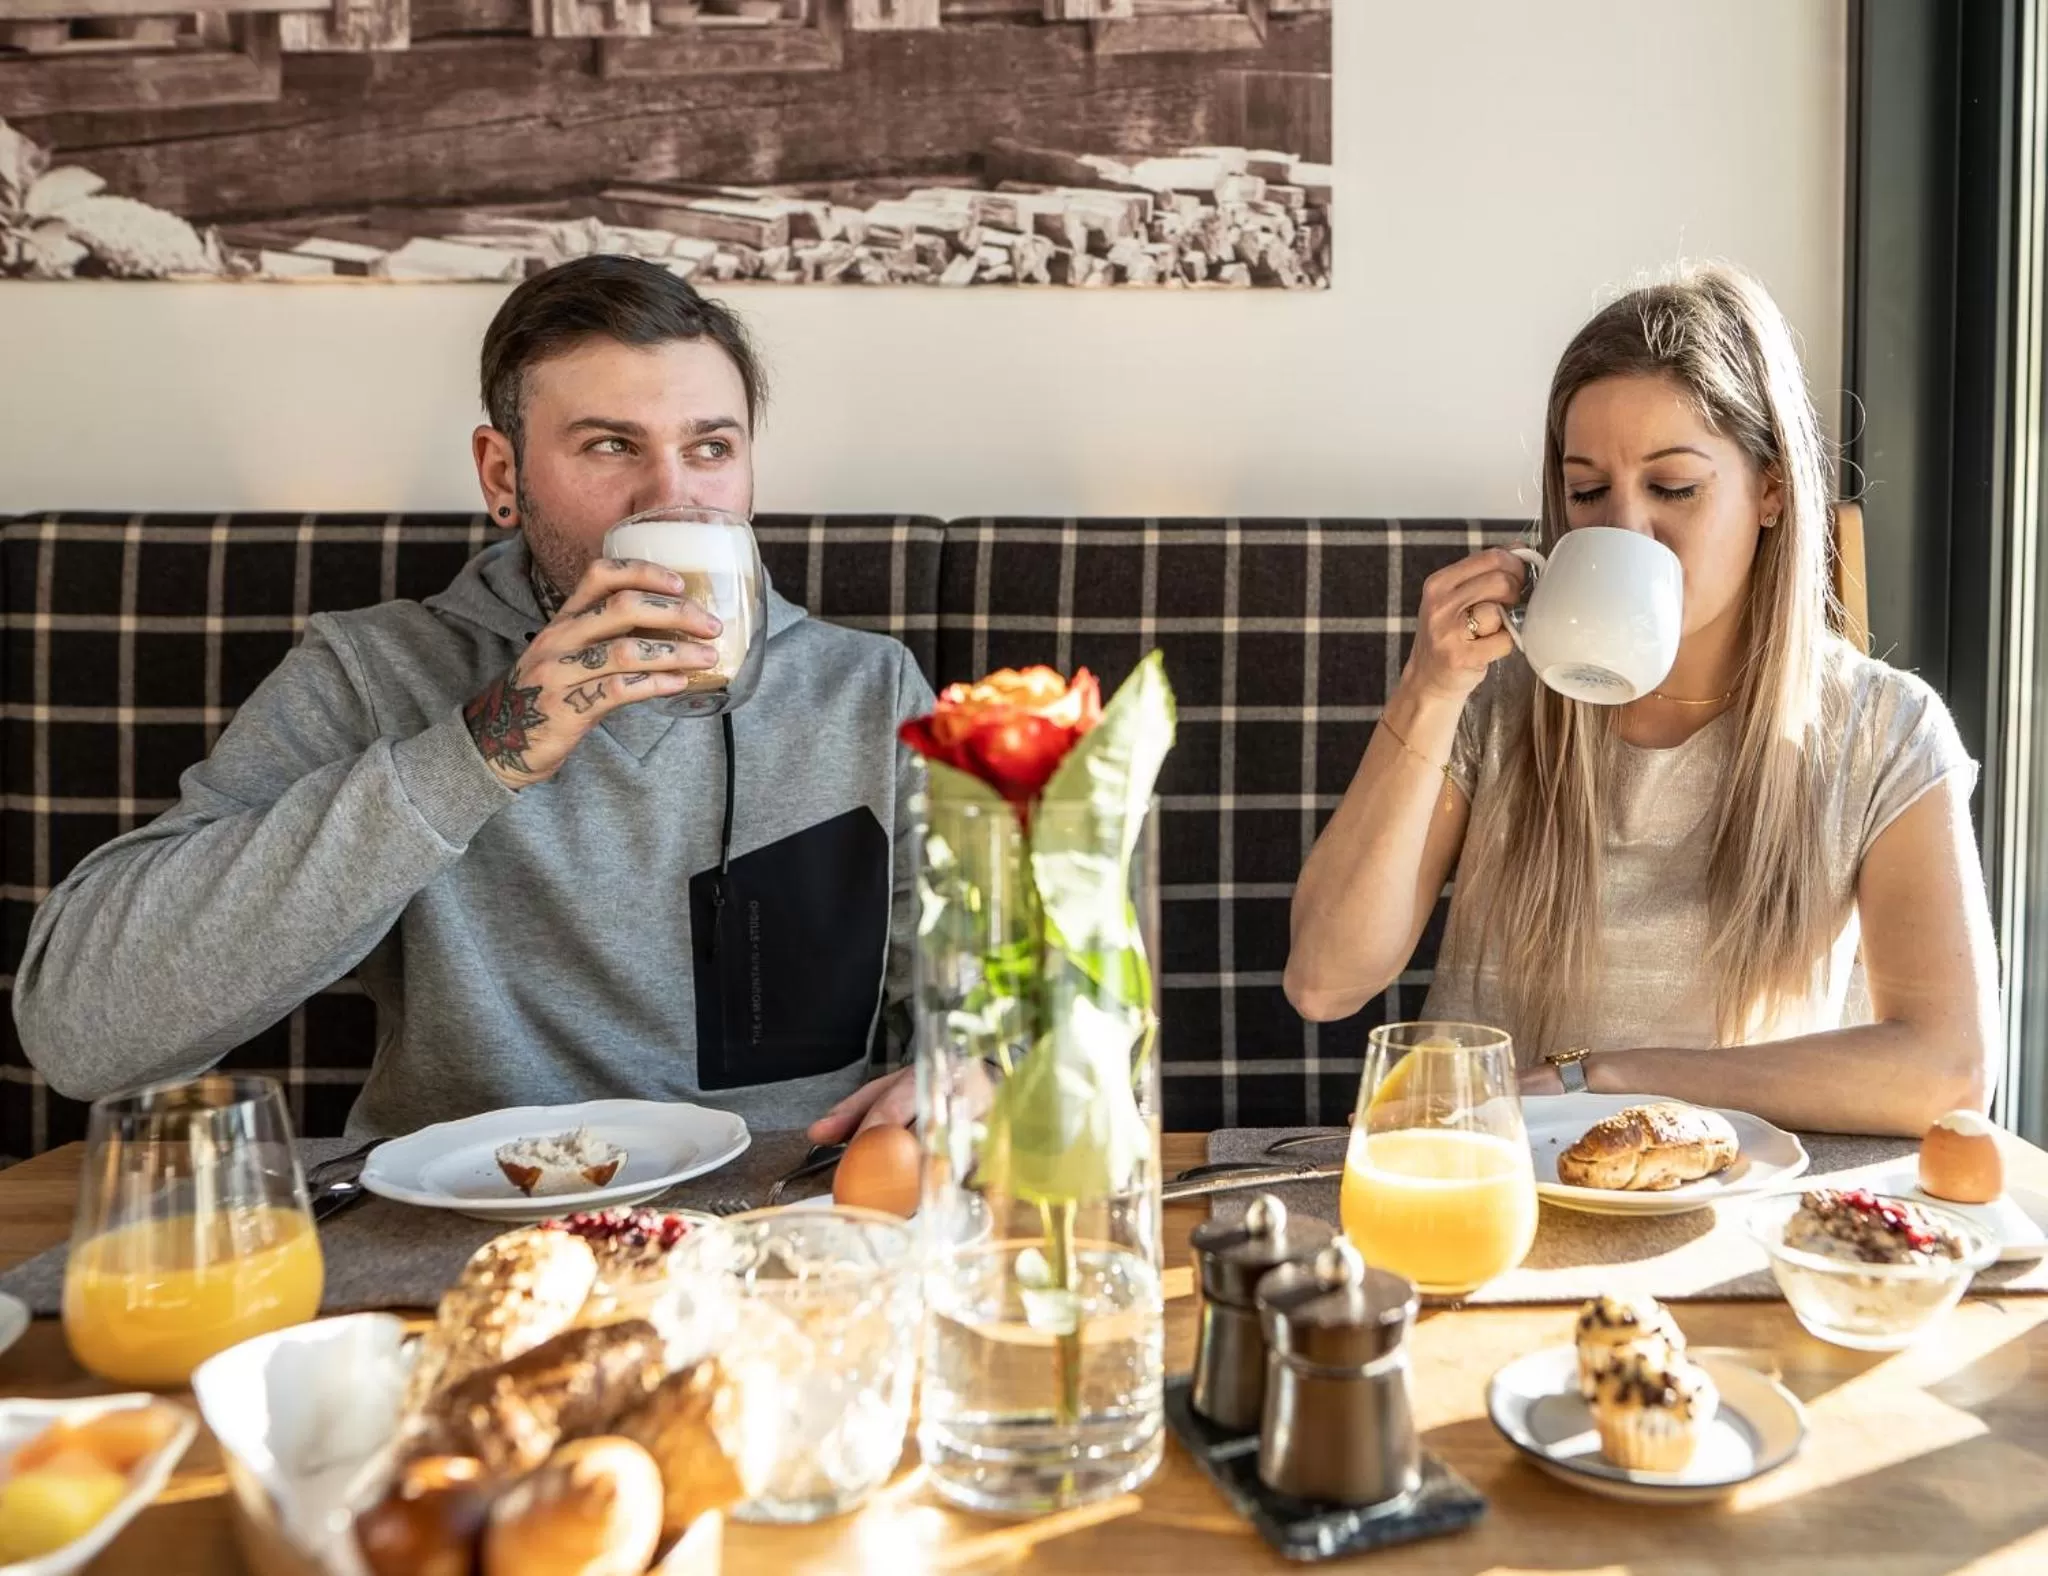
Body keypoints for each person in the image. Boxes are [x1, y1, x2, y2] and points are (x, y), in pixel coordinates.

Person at [14, 255, 927, 1142]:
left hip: (779, 1221)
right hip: (460, 1222)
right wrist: (477, 753)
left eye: (710, 448)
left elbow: (1011, 987)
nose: (673, 498)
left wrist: (983, 1064)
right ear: (502, 476)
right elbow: (80, 1032)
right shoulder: (375, 670)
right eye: (611, 445)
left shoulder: (864, 690)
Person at [1285, 262, 1999, 1138]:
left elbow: (1949, 1070)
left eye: (1673, 488)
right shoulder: (1495, 704)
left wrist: (1610, 1078)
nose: (1623, 529)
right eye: (1587, 492)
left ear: (1771, 489)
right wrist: (1429, 690)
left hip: (1737, 1213)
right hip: (1490, 1198)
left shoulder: (1884, 731)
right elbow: (1323, 980)